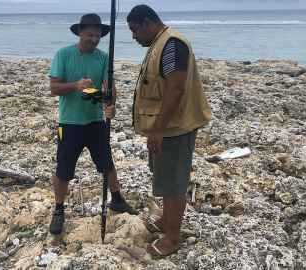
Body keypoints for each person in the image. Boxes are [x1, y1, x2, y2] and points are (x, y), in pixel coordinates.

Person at [126, 5, 212, 257]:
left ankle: (173, 237)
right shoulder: (160, 43)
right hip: (166, 128)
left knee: (174, 183)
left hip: (173, 128)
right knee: (164, 177)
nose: (133, 36)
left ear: (147, 23)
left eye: (134, 30)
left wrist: (158, 130)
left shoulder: (172, 45)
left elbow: (175, 89)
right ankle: (167, 221)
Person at [48, 13, 138, 235]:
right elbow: (54, 88)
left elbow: (109, 90)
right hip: (69, 123)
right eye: (90, 35)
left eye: (98, 36)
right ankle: (59, 209)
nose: (94, 40)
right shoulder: (63, 55)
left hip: (96, 121)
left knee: (106, 162)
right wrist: (76, 85)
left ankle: (116, 199)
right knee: (64, 168)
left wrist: (111, 104)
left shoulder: (103, 58)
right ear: (80, 32)